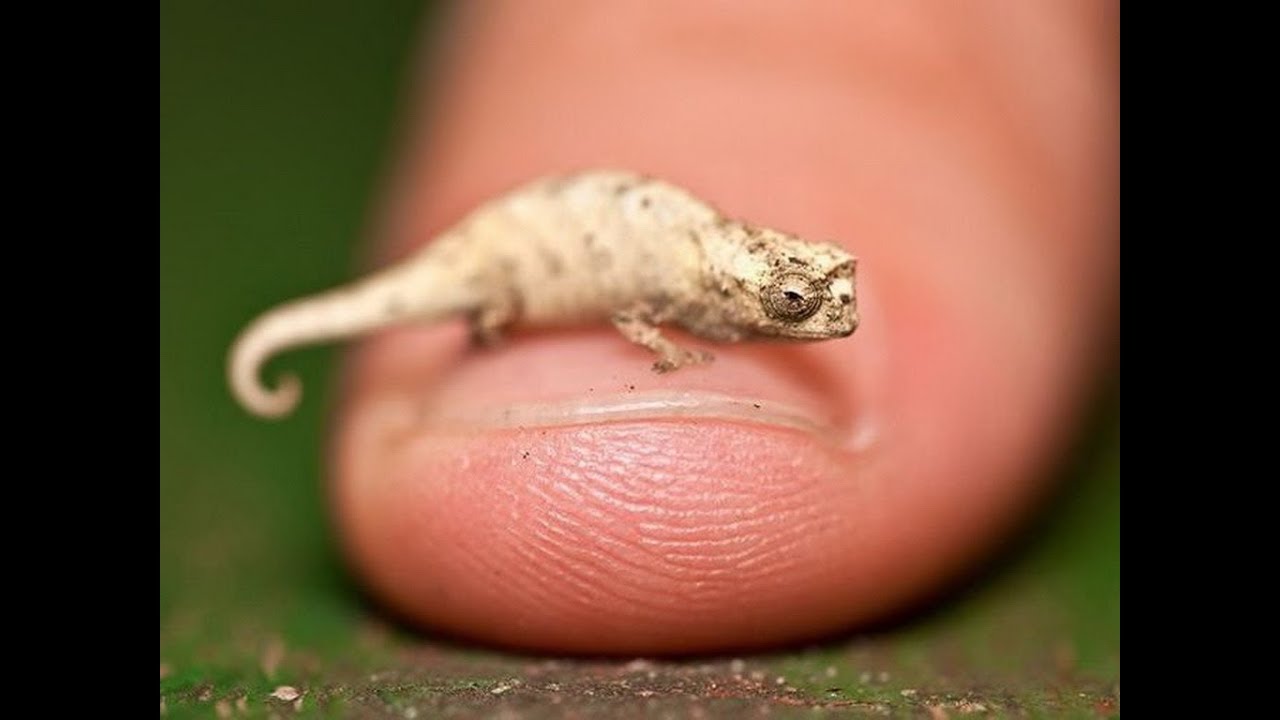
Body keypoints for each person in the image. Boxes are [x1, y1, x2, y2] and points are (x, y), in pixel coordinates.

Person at [330, 0, 1118, 653]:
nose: (835, 317)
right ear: (751, 299)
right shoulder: (700, 283)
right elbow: (636, 305)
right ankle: (492, 317)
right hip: (518, 252)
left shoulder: (719, 272)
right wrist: (658, 354)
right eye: (799, 306)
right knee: (483, 287)